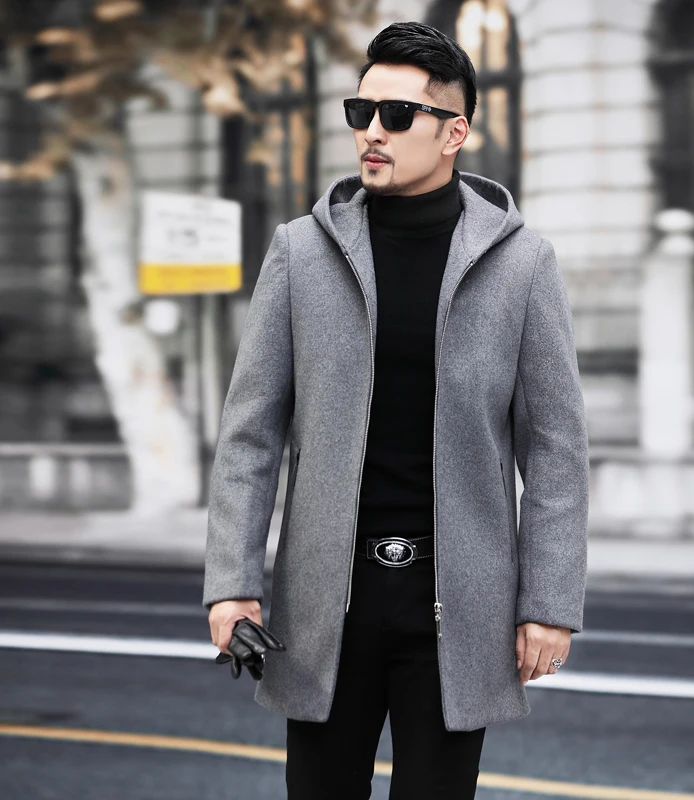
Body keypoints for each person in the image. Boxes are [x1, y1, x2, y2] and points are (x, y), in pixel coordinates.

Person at [203, 20, 589, 800]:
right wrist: (231, 581)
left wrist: (549, 604)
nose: (372, 132)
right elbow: (250, 435)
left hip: (461, 602)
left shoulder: (522, 264)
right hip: (324, 602)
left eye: (397, 115)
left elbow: (555, 449)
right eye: (361, 112)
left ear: (455, 132)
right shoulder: (300, 252)